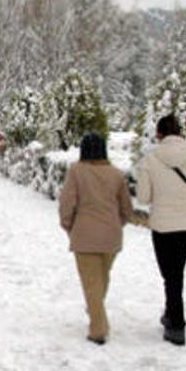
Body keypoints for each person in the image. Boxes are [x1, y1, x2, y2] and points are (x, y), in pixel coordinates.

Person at [136, 114, 186, 346]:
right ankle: (171, 315)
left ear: (159, 134)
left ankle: (176, 325)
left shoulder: (150, 161)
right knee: (174, 274)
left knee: (171, 275)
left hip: (162, 227)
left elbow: (142, 197)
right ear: (180, 133)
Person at [59, 132, 133, 345]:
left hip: (84, 235)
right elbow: (126, 209)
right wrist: (117, 224)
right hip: (111, 237)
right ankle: (95, 310)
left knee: (92, 284)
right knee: (102, 278)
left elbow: (67, 203)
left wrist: (69, 226)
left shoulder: (76, 171)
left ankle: (98, 329)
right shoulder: (116, 174)